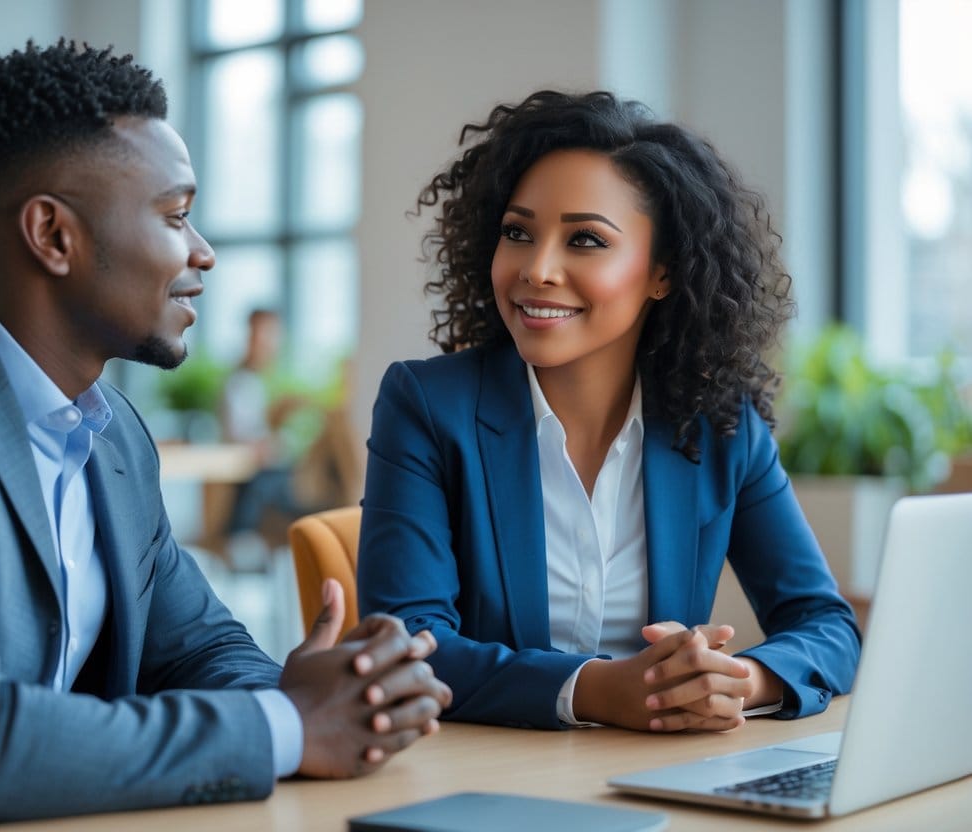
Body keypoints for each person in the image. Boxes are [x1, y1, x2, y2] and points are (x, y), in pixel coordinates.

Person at [0, 40, 450, 831]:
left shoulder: (111, 432)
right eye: (176, 215)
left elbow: (197, 649)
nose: (202, 252)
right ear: (53, 235)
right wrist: (289, 726)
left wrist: (334, 691)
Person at [357, 90, 860, 734]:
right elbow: (411, 645)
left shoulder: (719, 426)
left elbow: (826, 625)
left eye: (586, 240)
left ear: (662, 273)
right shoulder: (427, 407)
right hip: (483, 781)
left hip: (657, 772)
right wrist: (597, 690)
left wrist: (735, 682)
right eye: (518, 233)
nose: (537, 269)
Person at [219, 308, 310, 543]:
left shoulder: (267, 380)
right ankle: (238, 539)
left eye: (274, 336)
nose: (271, 344)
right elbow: (243, 436)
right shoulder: (241, 383)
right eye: (266, 335)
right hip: (258, 470)